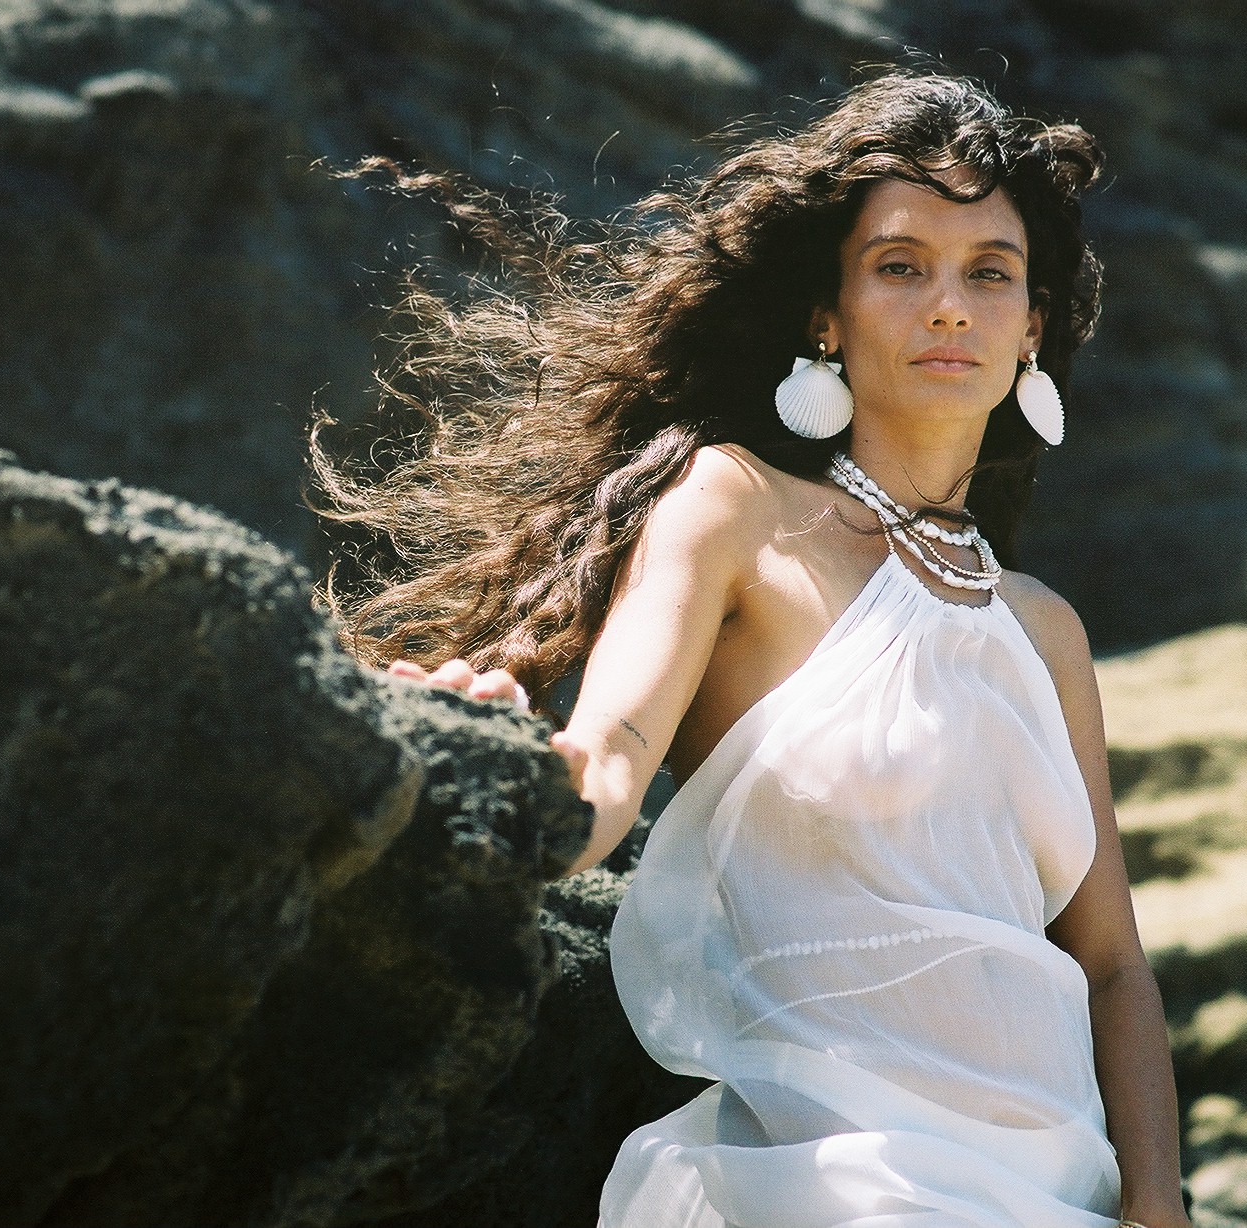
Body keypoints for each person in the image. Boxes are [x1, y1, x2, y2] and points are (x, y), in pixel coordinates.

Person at [314, 71, 1189, 1228]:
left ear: (1032, 326)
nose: (948, 306)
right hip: (839, 1178)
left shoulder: (1044, 628)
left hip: (1058, 1185)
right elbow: (609, 755)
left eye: (989, 272)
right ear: (827, 315)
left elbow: (1113, 964)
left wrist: (1158, 1205)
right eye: (900, 266)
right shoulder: (735, 507)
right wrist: (479, 755)